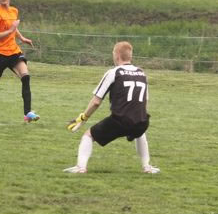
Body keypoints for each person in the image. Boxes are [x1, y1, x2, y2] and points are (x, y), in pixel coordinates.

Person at [63, 41, 160, 174]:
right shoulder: (142, 73)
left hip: (120, 121)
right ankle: (147, 167)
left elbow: (96, 102)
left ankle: (81, 167)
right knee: (140, 133)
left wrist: (83, 118)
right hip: (142, 121)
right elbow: (145, 101)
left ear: (117, 55)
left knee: (88, 135)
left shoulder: (114, 72)